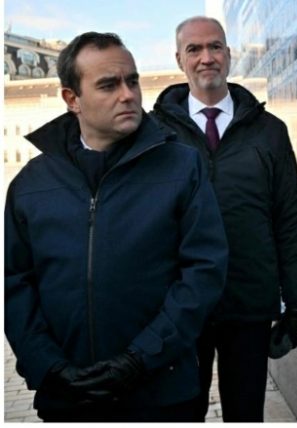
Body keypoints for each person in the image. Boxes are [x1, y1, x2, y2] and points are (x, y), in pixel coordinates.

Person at [5, 31, 228, 422]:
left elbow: (204, 272)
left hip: (162, 393)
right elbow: (14, 286)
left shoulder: (182, 166)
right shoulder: (30, 185)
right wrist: (50, 367)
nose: (128, 95)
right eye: (109, 85)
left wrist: (140, 358)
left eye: (132, 81)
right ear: (72, 99)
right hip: (69, 398)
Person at [153, 17, 297, 422]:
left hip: (248, 304)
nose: (206, 58)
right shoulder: (155, 134)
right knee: (181, 414)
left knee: (245, 414)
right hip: (180, 308)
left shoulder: (269, 132)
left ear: (228, 54)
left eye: (215, 47)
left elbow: (289, 219)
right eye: (194, 49)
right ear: (179, 59)